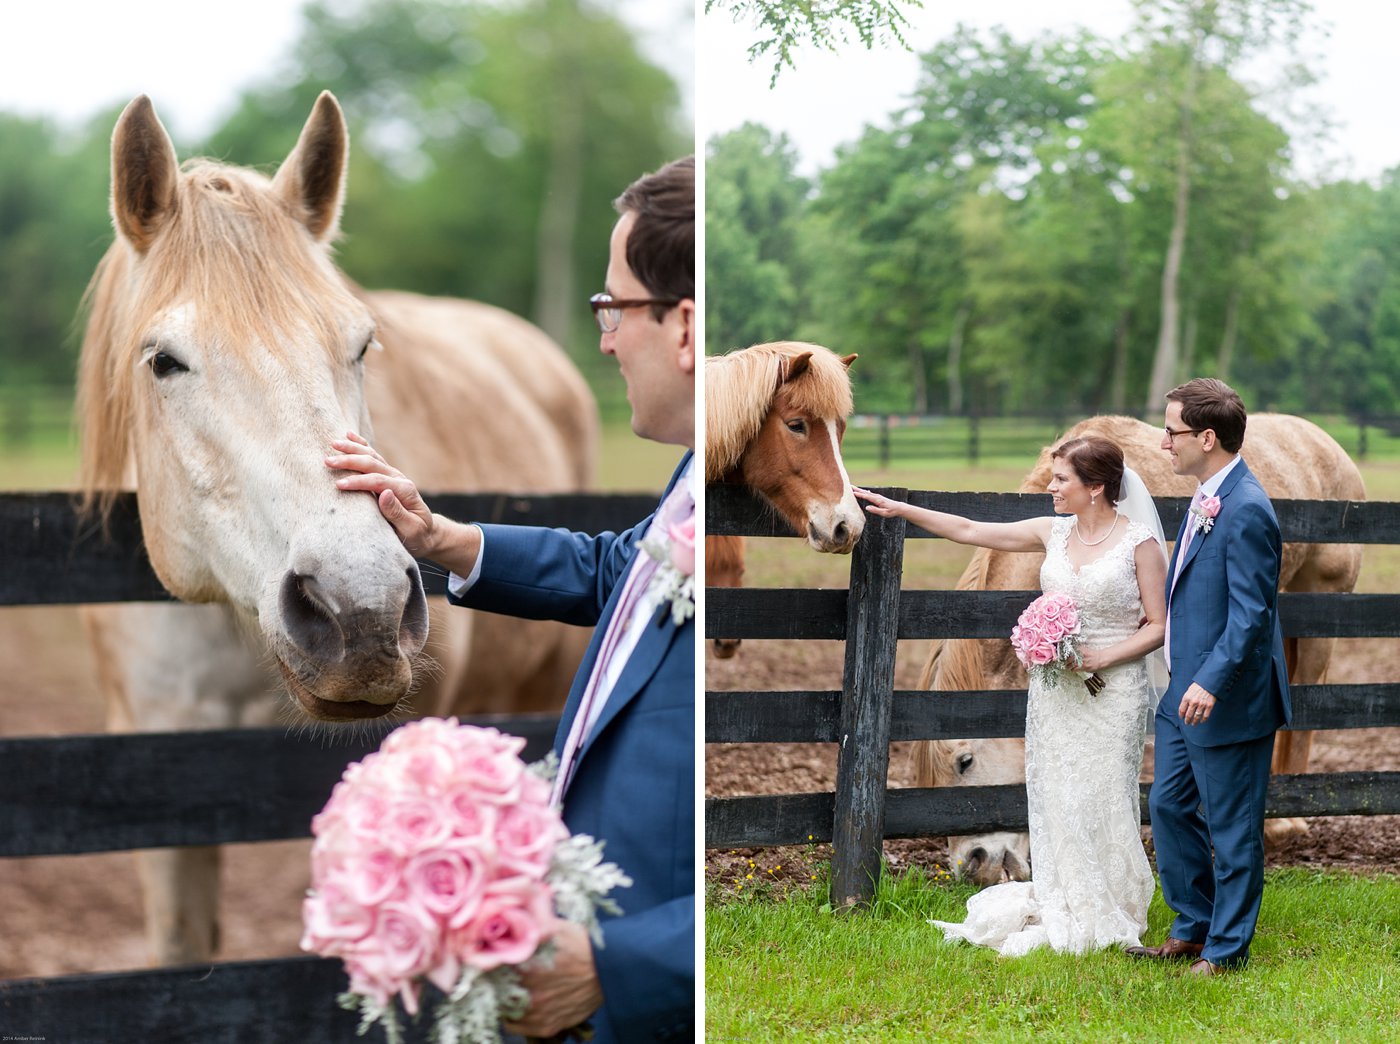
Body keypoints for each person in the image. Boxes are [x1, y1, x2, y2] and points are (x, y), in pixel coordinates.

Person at [325, 157, 696, 1041]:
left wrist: (621, 969)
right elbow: (625, 573)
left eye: (614, 308)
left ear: (684, 327)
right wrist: (448, 542)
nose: (604, 338)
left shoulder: (734, 474)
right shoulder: (691, 479)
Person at [854, 435, 1168, 955]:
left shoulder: (1140, 545)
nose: (1051, 486)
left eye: (1062, 478)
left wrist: (1102, 658)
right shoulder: (1053, 533)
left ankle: (1116, 903)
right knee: (1058, 794)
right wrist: (901, 509)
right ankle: (1070, 898)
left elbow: (1158, 625)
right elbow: (971, 529)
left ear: (1095, 487)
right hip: (1055, 695)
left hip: (1114, 693)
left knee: (1106, 795)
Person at [1126, 378, 1289, 976]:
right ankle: (1192, 925)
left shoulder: (1246, 509)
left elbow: (1252, 615)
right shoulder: (1206, 493)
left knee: (1233, 827)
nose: (1164, 443)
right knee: (1168, 807)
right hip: (1182, 691)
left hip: (1227, 697)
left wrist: (1211, 681)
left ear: (1208, 437)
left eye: (1172, 432)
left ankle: (1226, 949)